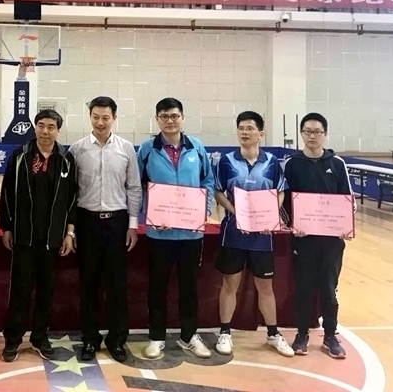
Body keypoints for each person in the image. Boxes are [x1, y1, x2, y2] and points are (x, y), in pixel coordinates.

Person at [137, 97, 215, 360]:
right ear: (157, 119)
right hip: (159, 234)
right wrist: (149, 214)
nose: (169, 121)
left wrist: (204, 211)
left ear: (182, 118)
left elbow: (208, 180)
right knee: (157, 288)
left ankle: (188, 336)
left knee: (189, 288)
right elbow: (137, 185)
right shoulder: (147, 149)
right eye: (164, 116)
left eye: (174, 116)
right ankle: (156, 337)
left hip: (191, 234)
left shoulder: (197, 147)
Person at [213, 111, 294, 358]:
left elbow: (280, 191)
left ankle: (273, 333)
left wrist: (270, 214)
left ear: (261, 133)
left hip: (262, 236)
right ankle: (225, 332)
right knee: (230, 284)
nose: (244, 132)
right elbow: (218, 191)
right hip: (233, 233)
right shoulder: (226, 161)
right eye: (241, 128)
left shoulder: (273, 163)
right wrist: (234, 210)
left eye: (249, 128)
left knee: (265, 286)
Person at [0, 109, 77, 362]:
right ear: (35, 127)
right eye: (41, 125)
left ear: (58, 131)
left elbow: (73, 198)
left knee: (46, 290)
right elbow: (7, 192)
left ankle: (40, 337)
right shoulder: (20, 155)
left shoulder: (66, 159)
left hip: (52, 238)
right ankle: (12, 339)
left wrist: (70, 232)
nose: (45, 131)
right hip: (24, 236)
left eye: (51, 127)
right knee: (20, 290)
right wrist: (6, 227)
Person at [68, 96, 141, 363]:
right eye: (96, 117)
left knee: (116, 285)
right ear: (90, 117)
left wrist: (132, 225)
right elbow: (71, 193)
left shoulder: (126, 149)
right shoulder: (76, 150)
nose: (100, 122)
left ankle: (117, 340)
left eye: (105, 118)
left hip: (117, 223)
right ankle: (90, 339)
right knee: (88, 284)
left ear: (114, 118)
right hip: (87, 222)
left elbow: (134, 187)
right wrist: (72, 230)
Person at [283, 112, 354, 360]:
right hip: (303, 239)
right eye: (307, 131)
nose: (312, 136)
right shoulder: (291, 164)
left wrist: (346, 225)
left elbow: (348, 200)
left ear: (325, 134)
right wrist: (293, 224)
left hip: (332, 241)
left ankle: (330, 335)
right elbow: (285, 201)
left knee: (329, 288)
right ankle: (302, 334)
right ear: (301, 134)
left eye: (317, 132)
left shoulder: (337, 164)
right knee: (304, 287)